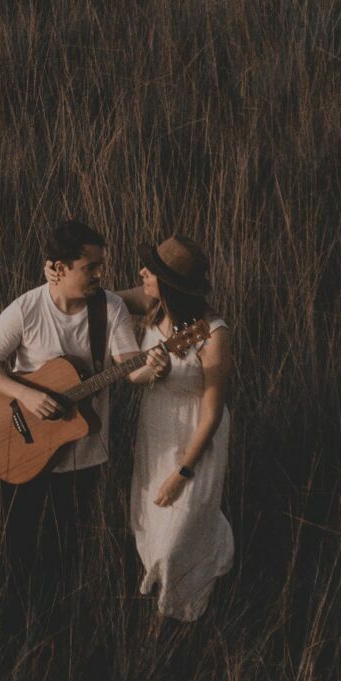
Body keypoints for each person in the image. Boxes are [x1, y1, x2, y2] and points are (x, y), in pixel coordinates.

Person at [0, 220, 169, 611]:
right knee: (19, 554)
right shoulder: (26, 309)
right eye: (90, 267)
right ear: (57, 268)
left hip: (82, 457)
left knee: (65, 558)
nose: (100, 275)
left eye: (101, 266)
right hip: (21, 451)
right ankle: (15, 632)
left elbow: (131, 368)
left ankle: (58, 635)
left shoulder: (109, 307)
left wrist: (152, 369)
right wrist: (24, 393)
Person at [125, 235, 235, 622]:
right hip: (157, 428)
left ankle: (187, 607)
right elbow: (107, 300)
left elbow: (213, 413)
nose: (141, 273)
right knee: (154, 522)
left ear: (168, 283)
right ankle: (160, 612)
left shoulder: (213, 333)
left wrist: (182, 472)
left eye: (150, 271)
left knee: (176, 537)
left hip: (194, 437)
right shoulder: (154, 304)